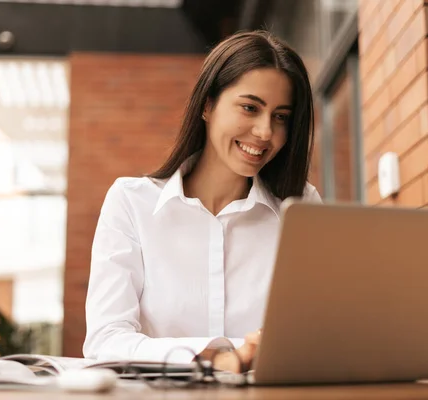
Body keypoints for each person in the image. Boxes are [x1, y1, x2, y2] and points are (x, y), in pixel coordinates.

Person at [83, 30, 322, 373]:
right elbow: (105, 340)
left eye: (280, 116)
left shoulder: (300, 208)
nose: (265, 132)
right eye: (250, 108)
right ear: (208, 105)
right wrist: (216, 357)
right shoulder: (131, 203)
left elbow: (317, 331)